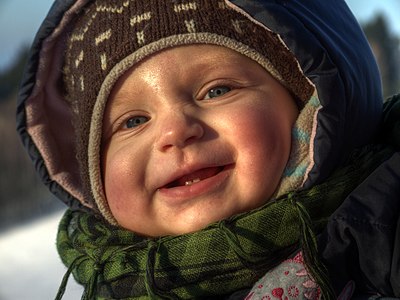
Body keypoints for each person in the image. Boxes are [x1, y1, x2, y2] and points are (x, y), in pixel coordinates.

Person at [16, 0, 400, 299]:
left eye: (217, 90)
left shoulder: (384, 232)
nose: (174, 131)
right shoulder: (109, 286)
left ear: (311, 110)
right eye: (132, 121)